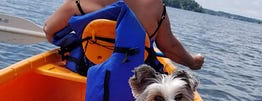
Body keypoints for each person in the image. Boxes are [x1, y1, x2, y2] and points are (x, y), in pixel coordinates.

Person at [43, 0, 204, 70]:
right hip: (135, 80)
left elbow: (50, 32)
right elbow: (169, 47)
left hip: (86, 72)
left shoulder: (80, 2)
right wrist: (192, 62)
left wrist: (77, 39)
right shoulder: (154, 5)